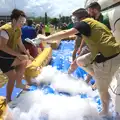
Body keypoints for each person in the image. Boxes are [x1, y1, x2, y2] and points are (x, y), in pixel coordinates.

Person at [36, 8, 120, 116]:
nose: (74, 21)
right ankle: (97, 76)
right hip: (106, 52)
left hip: (107, 57)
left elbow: (65, 32)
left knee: (102, 89)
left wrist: (45, 38)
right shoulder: (93, 23)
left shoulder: (84, 23)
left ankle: (105, 110)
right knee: (80, 61)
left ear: (80, 18)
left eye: (74, 19)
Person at [0, 9, 33, 102]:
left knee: (23, 61)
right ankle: (16, 86)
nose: (22, 23)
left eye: (24, 22)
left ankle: (13, 92)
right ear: (14, 20)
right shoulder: (5, 30)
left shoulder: (18, 29)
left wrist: (27, 54)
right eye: (21, 21)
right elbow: (2, 47)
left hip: (8, 56)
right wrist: (19, 55)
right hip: (2, 57)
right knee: (22, 61)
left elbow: (20, 44)